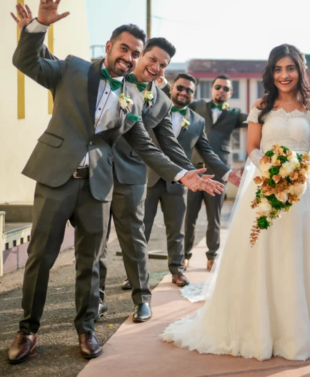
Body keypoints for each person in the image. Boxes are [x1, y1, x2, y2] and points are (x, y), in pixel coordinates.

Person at [7, 0, 220, 362]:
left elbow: (147, 145)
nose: (129, 57)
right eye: (125, 49)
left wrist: (182, 174)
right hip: (56, 177)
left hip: (98, 185)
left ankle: (87, 329)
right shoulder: (73, 69)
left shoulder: (134, 99)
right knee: (41, 256)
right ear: (109, 46)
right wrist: (39, 26)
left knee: (91, 260)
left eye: (135, 53)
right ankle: (28, 330)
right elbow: (27, 61)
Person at [161, 44, 310, 360]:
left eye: (290, 68)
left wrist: (299, 172)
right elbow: (253, 148)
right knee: (261, 251)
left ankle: (309, 330)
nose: (284, 75)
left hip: (304, 190)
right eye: (278, 69)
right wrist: (272, 172)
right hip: (265, 185)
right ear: (271, 73)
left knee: (306, 253)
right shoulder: (261, 106)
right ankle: (259, 328)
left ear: (300, 70)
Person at [96, 38, 224, 322]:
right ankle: (97, 300)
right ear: (140, 56)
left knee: (135, 238)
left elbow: (169, 144)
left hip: (134, 173)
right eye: (152, 59)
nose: (156, 67)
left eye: (162, 64)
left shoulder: (162, 101)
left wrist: (187, 172)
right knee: (96, 240)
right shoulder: (113, 79)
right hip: (98, 169)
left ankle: (142, 298)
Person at [143, 72, 241, 286]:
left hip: (180, 180)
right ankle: (135, 275)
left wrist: (227, 173)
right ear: (172, 88)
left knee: (177, 230)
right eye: (180, 87)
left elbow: (207, 152)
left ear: (193, 95)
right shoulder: (155, 108)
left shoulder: (197, 121)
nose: (184, 92)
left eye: (189, 90)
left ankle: (177, 270)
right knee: (142, 228)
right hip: (150, 177)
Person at [185, 75, 247, 271]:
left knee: (214, 218)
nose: (221, 91)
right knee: (190, 216)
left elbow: (256, 120)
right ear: (212, 89)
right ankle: (184, 255)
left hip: (219, 172)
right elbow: (175, 104)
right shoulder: (197, 106)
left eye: (225, 88)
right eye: (218, 87)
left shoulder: (234, 114)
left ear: (231, 93)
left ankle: (212, 255)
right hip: (195, 169)